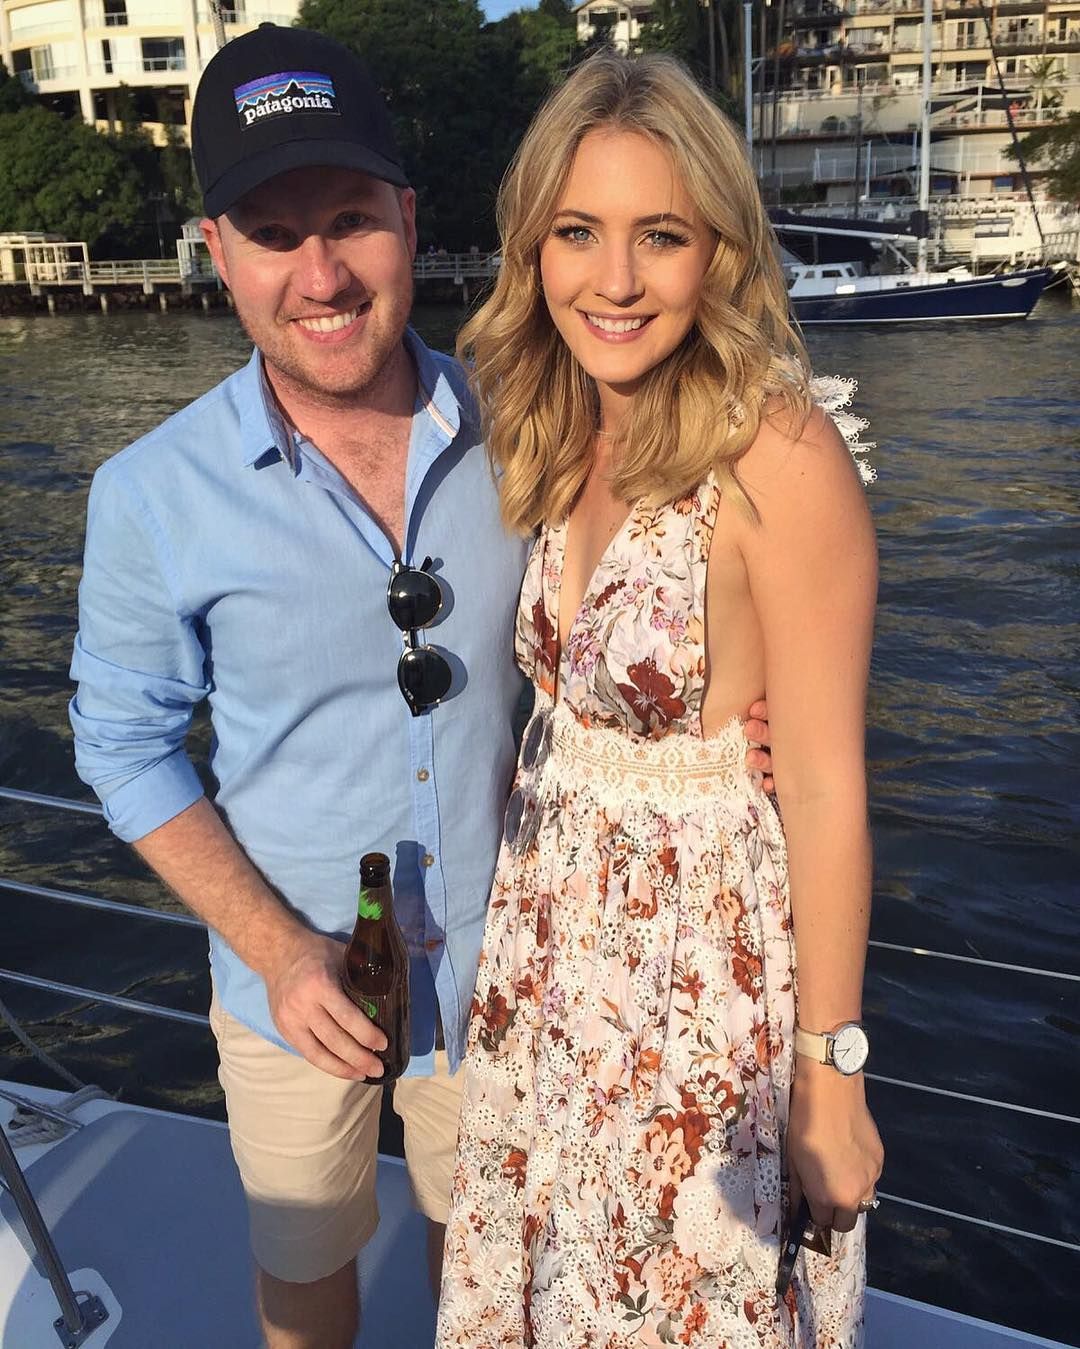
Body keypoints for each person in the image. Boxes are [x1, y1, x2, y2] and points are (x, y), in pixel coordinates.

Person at [67, 26, 775, 1349]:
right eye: (273, 233)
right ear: (216, 252)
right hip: (288, 989)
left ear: (406, 216)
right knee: (305, 1276)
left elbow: (651, 605)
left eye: (349, 218)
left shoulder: (538, 428)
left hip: (515, 970)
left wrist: (744, 722)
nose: (321, 275)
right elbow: (121, 742)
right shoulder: (150, 494)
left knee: (491, 1274)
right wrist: (277, 950)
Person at [437, 51, 883, 1348]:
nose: (616, 280)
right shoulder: (555, 421)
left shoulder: (778, 449)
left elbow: (824, 786)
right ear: (533, 246)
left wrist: (832, 1074)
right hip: (552, 955)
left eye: (662, 236)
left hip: (691, 979)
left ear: (719, 252)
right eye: (578, 232)